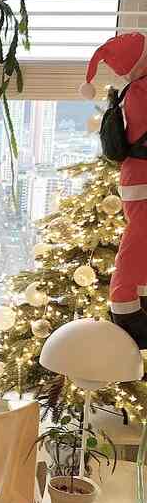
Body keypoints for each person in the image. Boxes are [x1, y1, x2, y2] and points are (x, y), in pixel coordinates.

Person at [80, 32, 147, 347]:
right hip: (141, 181)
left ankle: (139, 298)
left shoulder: (136, 91)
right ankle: (124, 307)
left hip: (138, 178)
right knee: (137, 242)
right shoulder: (139, 92)